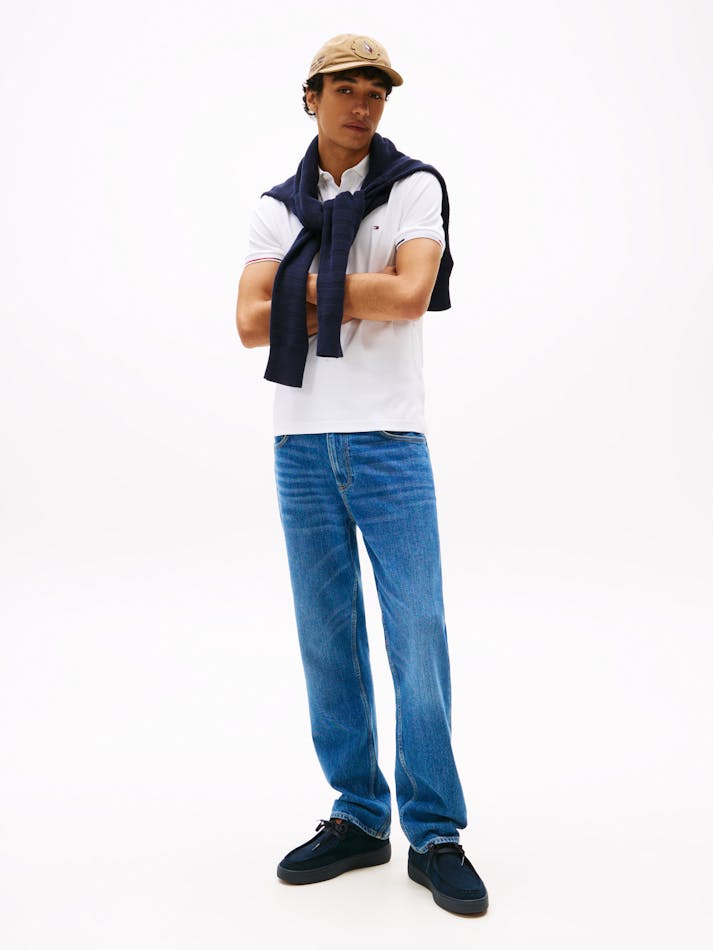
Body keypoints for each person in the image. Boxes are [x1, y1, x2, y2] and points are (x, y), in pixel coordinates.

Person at [235, 33, 489, 916]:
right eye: (345, 88)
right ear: (311, 97)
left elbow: (411, 296)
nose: (362, 104)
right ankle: (357, 815)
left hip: (387, 440)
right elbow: (248, 323)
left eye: (376, 91)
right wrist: (350, 286)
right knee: (326, 636)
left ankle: (435, 831)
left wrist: (301, 285)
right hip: (300, 444)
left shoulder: (413, 186)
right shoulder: (276, 206)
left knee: (417, 630)